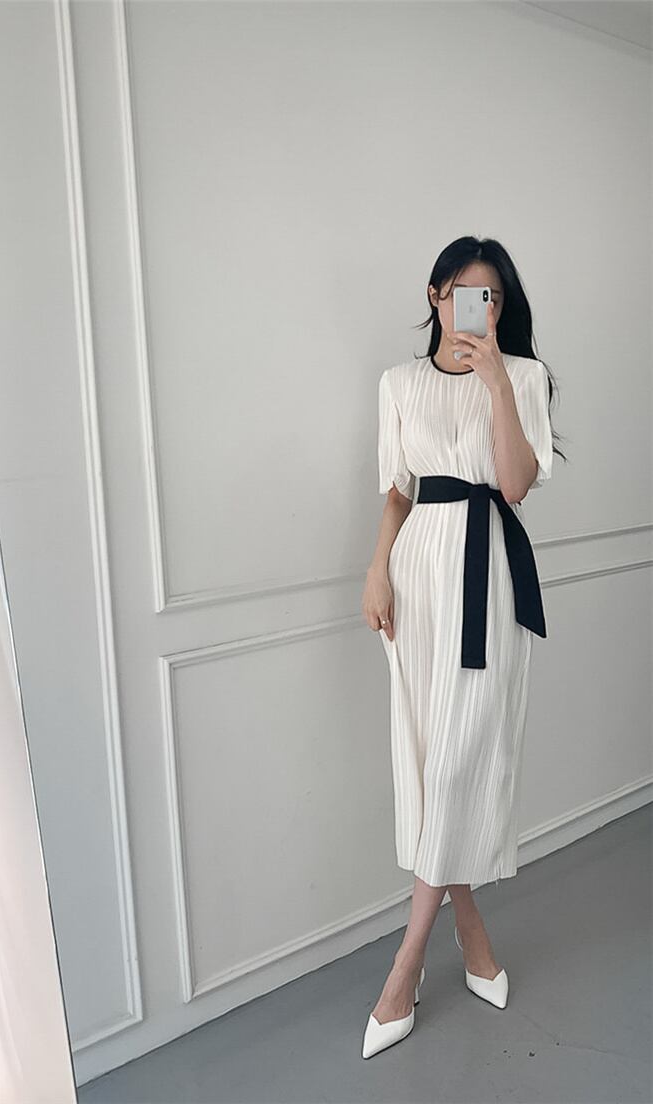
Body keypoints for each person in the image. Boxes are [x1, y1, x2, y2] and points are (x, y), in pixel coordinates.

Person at [359, 236, 565, 1059]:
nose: (472, 309)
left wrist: (496, 384)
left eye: (490, 298)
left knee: (457, 762)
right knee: (427, 758)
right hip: (418, 583)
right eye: (458, 294)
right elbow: (397, 493)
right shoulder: (398, 384)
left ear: (500, 308)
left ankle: (405, 964)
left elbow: (513, 484)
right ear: (436, 296)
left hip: (490, 580)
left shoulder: (523, 378)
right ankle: (468, 922)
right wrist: (376, 570)